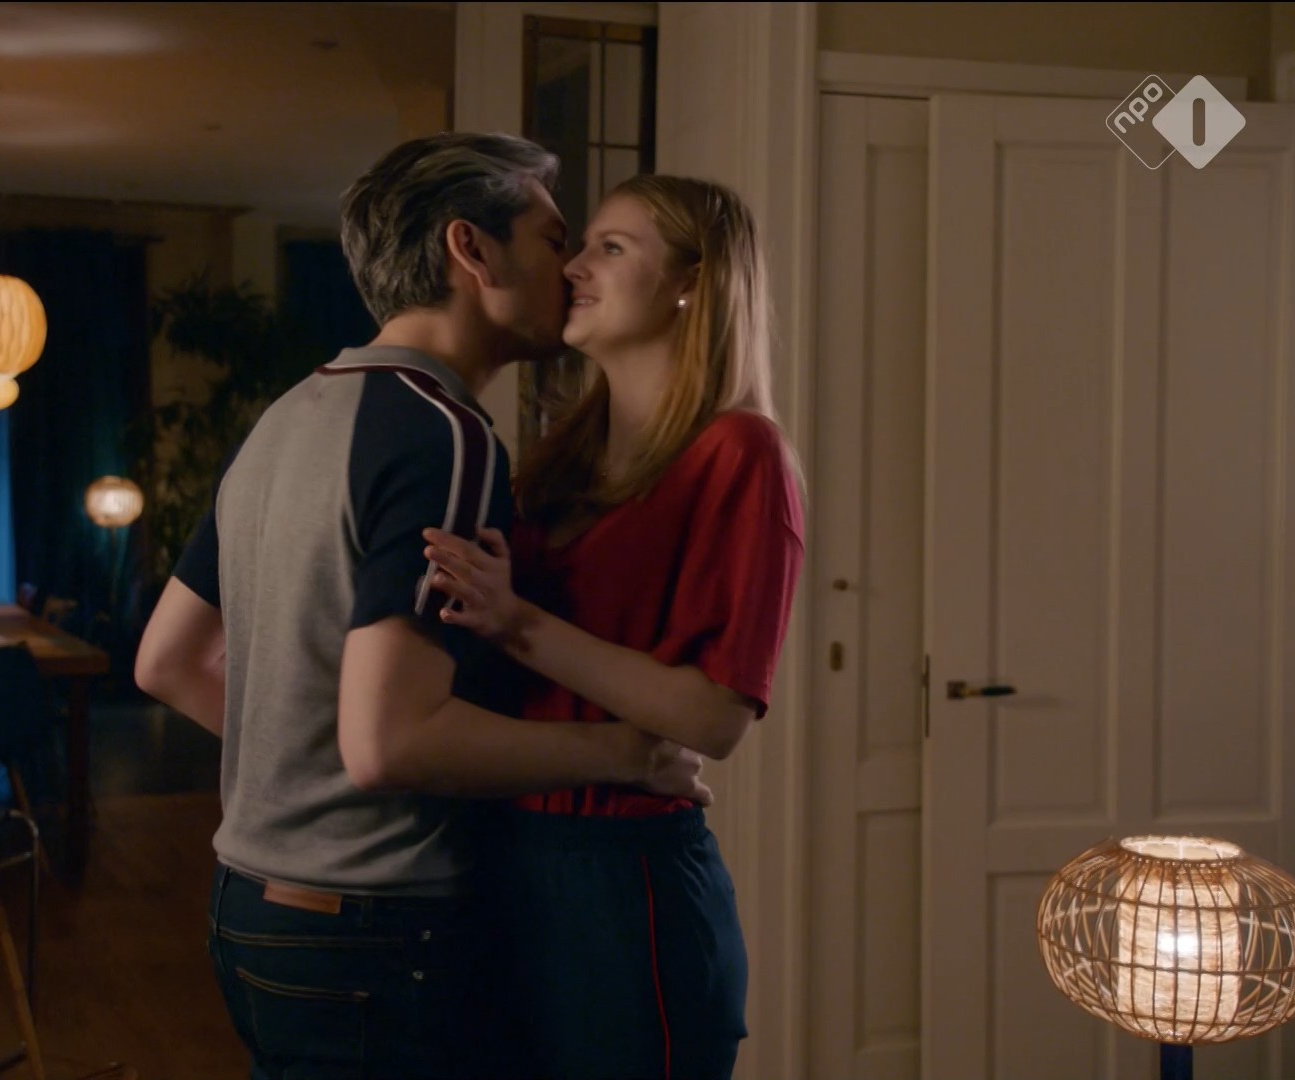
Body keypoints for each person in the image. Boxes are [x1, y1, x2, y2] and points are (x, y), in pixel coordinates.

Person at [133, 134, 712, 1080]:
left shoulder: (288, 416)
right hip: (375, 932)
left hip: (249, 913)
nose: (570, 266)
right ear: (470, 250)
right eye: (550, 237)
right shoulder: (445, 434)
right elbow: (391, 744)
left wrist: (316, 766)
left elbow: (168, 662)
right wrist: (629, 755)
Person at [418, 174, 805, 1080]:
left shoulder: (741, 453)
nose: (574, 267)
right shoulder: (558, 457)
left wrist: (517, 622)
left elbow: (714, 717)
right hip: (504, 856)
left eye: (612, 248)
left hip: (624, 882)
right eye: (581, 244)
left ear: (691, 286)